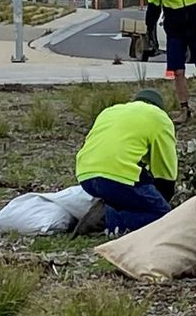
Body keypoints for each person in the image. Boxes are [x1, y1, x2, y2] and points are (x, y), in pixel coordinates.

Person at [73, 88, 178, 236]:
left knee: (121, 197)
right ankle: (116, 224)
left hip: (85, 174)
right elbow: (166, 170)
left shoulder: (110, 111)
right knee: (164, 218)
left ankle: (111, 222)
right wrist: (162, 200)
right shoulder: (159, 118)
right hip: (116, 175)